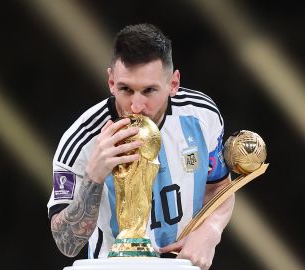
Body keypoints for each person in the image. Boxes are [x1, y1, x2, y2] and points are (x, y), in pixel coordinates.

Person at [47, 23, 234, 270]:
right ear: (111, 82)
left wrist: (211, 230)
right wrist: (94, 176)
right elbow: (66, 243)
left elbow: (220, 186)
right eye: (126, 89)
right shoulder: (81, 141)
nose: (136, 106)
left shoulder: (201, 116)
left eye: (149, 91)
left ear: (173, 84)